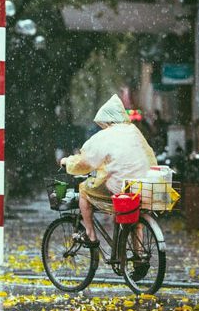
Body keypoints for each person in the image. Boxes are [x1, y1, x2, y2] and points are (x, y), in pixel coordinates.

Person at [59, 94, 157, 248]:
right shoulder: (134, 132)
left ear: (107, 120)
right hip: (143, 186)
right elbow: (149, 156)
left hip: (120, 188)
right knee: (137, 216)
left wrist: (67, 162)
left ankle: (90, 235)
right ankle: (139, 257)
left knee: (84, 190)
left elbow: (86, 161)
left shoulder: (106, 136)